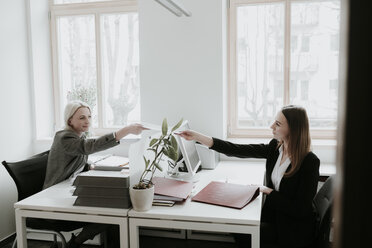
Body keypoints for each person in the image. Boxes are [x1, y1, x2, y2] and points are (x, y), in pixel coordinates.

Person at [178, 105, 320, 248]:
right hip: (276, 215)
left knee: (240, 229)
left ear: (293, 129)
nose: (272, 126)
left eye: (277, 124)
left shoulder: (310, 162)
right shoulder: (276, 148)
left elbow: (300, 209)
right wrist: (197, 136)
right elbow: (236, 149)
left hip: (292, 229)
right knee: (237, 220)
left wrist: (268, 191)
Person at [43, 100, 148, 248]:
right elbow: (88, 147)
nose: (87, 121)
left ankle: (77, 242)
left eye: (89, 116)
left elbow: (78, 160)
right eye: (82, 118)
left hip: (69, 189)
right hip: (55, 197)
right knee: (111, 212)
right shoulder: (64, 137)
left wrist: (98, 168)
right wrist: (127, 130)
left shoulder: (78, 135)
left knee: (114, 207)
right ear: (69, 120)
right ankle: (76, 243)